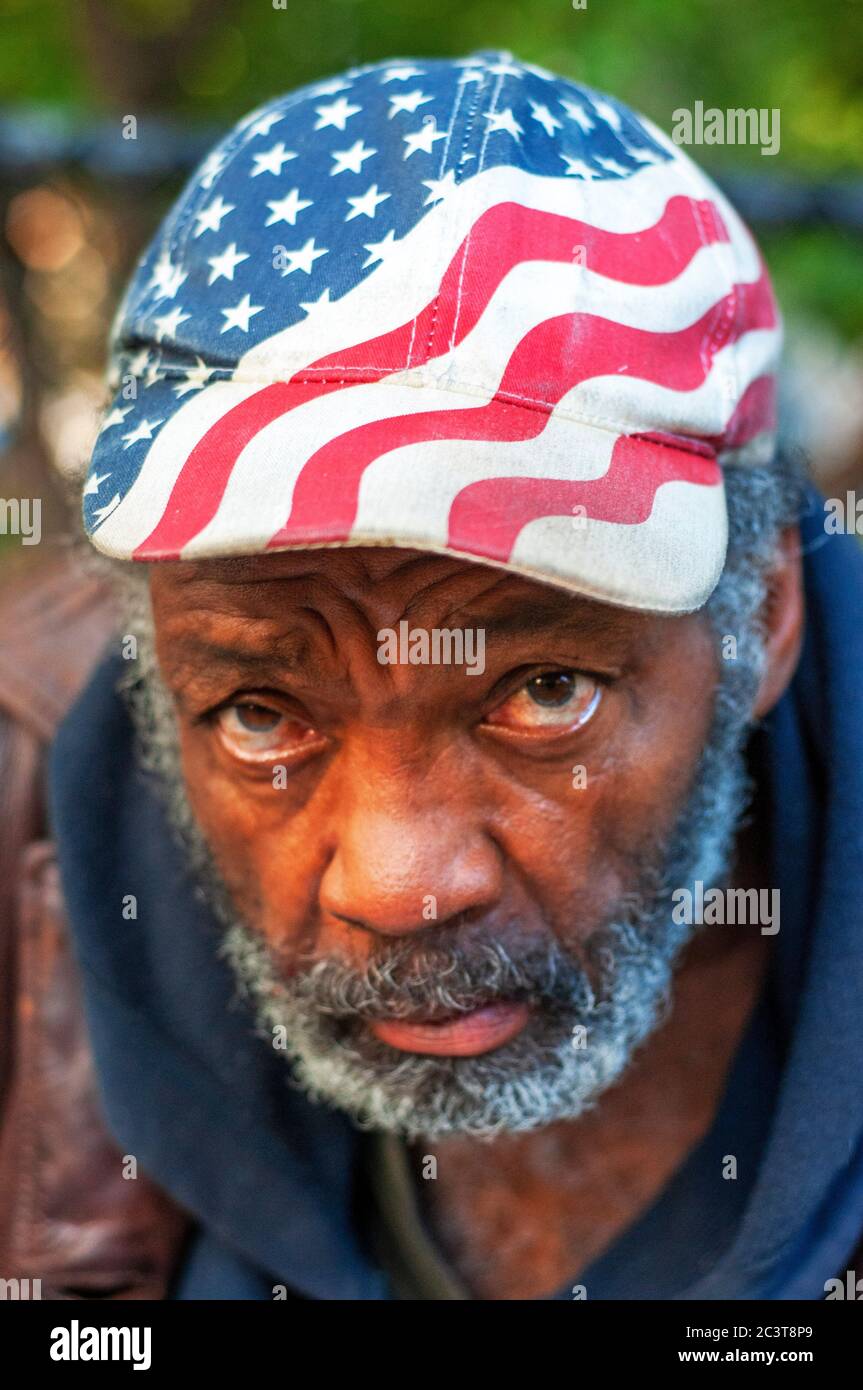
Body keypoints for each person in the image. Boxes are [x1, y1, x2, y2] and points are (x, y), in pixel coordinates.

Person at [2, 49, 862, 1301]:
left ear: (762, 617)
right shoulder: (24, 791)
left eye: (542, 693)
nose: (399, 886)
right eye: (259, 713)